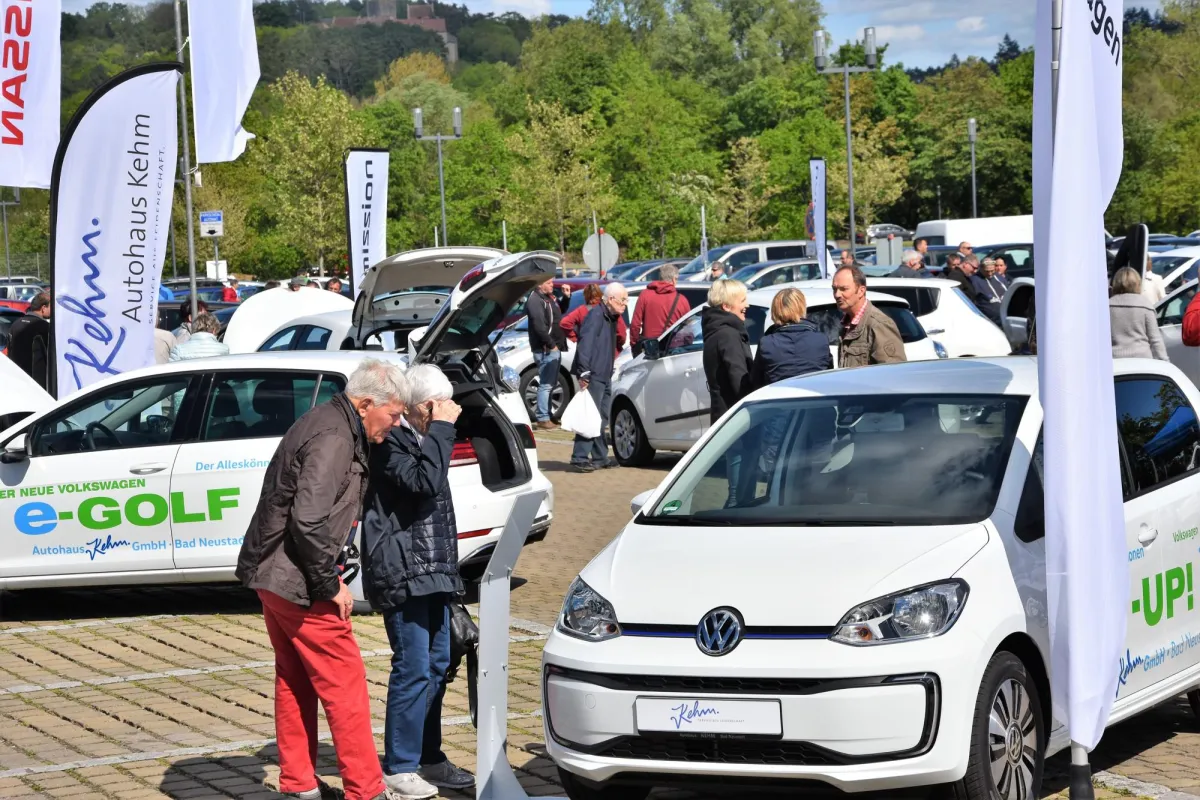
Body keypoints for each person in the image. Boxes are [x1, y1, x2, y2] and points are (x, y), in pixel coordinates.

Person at [236, 358, 408, 800]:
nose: (396, 424)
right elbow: (309, 521)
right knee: (345, 688)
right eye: (393, 414)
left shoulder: (330, 420)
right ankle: (366, 791)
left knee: (294, 679)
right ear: (367, 403)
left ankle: (299, 784)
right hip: (297, 580)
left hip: (273, 573)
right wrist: (329, 583)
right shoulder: (334, 435)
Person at [362, 365, 475, 799]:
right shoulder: (392, 441)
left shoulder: (423, 437)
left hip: (433, 568)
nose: (449, 413)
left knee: (439, 662)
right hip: (403, 568)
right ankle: (400, 765)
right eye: (440, 406)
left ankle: (428, 757)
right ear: (423, 406)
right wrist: (443, 429)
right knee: (412, 666)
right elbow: (424, 482)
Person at [569, 283, 627, 473]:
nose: (625, 304)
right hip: (594, 374)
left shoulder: (610, 317)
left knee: (601, 417)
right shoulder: (595, 316)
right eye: (623, 300)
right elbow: (585, 344)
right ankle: (579, 457)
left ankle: (600, 457)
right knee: (589, 416)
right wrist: (584, 371)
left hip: (604, 372)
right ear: (611, 299)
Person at [750, 288, 832, 388]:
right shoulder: (820, 340)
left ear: (775, 311)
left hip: (779, 399)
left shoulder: (767, 343)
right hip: (815, 399)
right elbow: (830, 374)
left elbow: (756, 382)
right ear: (802, 308)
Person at [701, 279, 754, 424]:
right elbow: (739, 380)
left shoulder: (716, 330)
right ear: (726, 306)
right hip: (734, 419)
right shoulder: (728, 335)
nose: (747, 305)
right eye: (742, 301)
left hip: (724, 415)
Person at [832, 266, 906, 368]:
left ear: (861, 291)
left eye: (844, 289)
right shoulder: (846, 324)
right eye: (834, 289)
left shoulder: (879, 324)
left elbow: (894, 373)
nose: (837, 294)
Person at [526, 277, 567, 430]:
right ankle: (543, 417)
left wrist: (566, 298)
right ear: (540, 283)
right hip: (546, 349)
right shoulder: (535, 300)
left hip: (553, 347)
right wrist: (551, 344)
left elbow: (559, 313)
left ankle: (548, 415)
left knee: (550, 384)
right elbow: (538, 325)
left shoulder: (548, 298)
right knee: (546, 384)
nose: (552, 285)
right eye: (549, 283)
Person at [630, 264, 691, 354]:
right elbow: (688, 328)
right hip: (674, 349)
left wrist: (634, 343)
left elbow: (635, 324)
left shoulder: (645, 295)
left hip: (650, 349)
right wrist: (688, 344)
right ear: (674, 280)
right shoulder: (682, 300)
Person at [1110, 267, 1167, 361]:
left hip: (1115, 361)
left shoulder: (1108, 306)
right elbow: (1155, 340)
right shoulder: (1145, 305)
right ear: (1138, 283)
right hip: (1143, 360)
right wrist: (1164, 362)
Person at [560, 284, 627, 356]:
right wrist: (616, 342)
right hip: (610, 353)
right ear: (600, 294)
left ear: (586, 296)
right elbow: (621, 334)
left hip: (588, 353)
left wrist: (577, 338)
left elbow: (564, 323)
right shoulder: (610, 308)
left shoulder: (582, 310)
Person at [7, 291, 51, 390]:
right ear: (43, 308)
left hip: (16, 381)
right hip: (37, 385)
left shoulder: (15, 324)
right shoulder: (44, 327)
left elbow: (9, 351)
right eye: (50, 307)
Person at [969, 258, 1009, 324]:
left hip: (1005, 317)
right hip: (990, 321)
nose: (990, 274)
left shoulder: (999, 278)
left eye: (992, 271)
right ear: (981, 268)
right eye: (987, 271)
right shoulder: (974, 281)